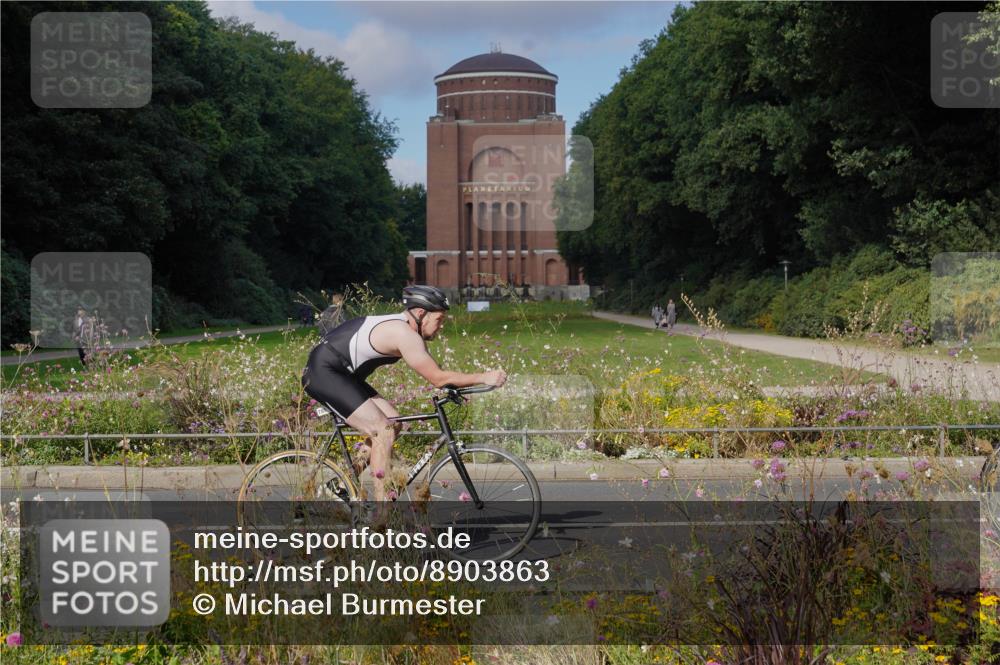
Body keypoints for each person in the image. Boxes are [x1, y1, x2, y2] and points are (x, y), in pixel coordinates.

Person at [301, 285, 506, 503]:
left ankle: (341, 485)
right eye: (439, 319)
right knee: (383, 430)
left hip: (343, 373)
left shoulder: (407, 330)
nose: (441, 326)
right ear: (421, 314)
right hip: (323, 372)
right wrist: (484, 376)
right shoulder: (404, 334)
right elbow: (438, 378)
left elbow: (439, 375)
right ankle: (381, 514)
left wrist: (456, 386)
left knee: (394, 423)